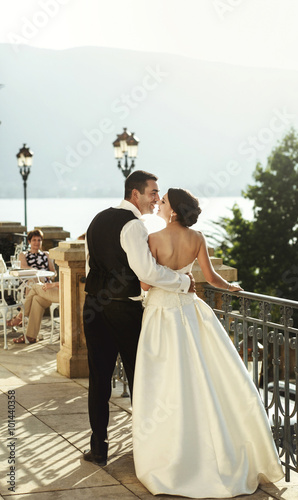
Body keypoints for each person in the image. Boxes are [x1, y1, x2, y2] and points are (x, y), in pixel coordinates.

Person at [132, 188, 284, 498]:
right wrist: (232, 287)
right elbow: (212, 278)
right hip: (191, 310)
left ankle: (172, 454)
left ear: (173, 211)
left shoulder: (154, 240)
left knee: (165, 380)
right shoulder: (197, 237)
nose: (159, 204)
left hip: (161, 313)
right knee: (204, 376)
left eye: (163, 202)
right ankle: (216, 449)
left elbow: (146, 282)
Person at [83, 170, 195, 467]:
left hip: (93, 307)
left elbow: (91, 263)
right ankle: (148, 450)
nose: (156, 198)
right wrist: (183, 282)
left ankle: (98, 449)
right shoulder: (133, 226)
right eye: (152, 193)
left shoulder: (97, 219)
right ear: (136, 194)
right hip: (124, 311)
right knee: (140, 379)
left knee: (99, 379)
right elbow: (147, 273)